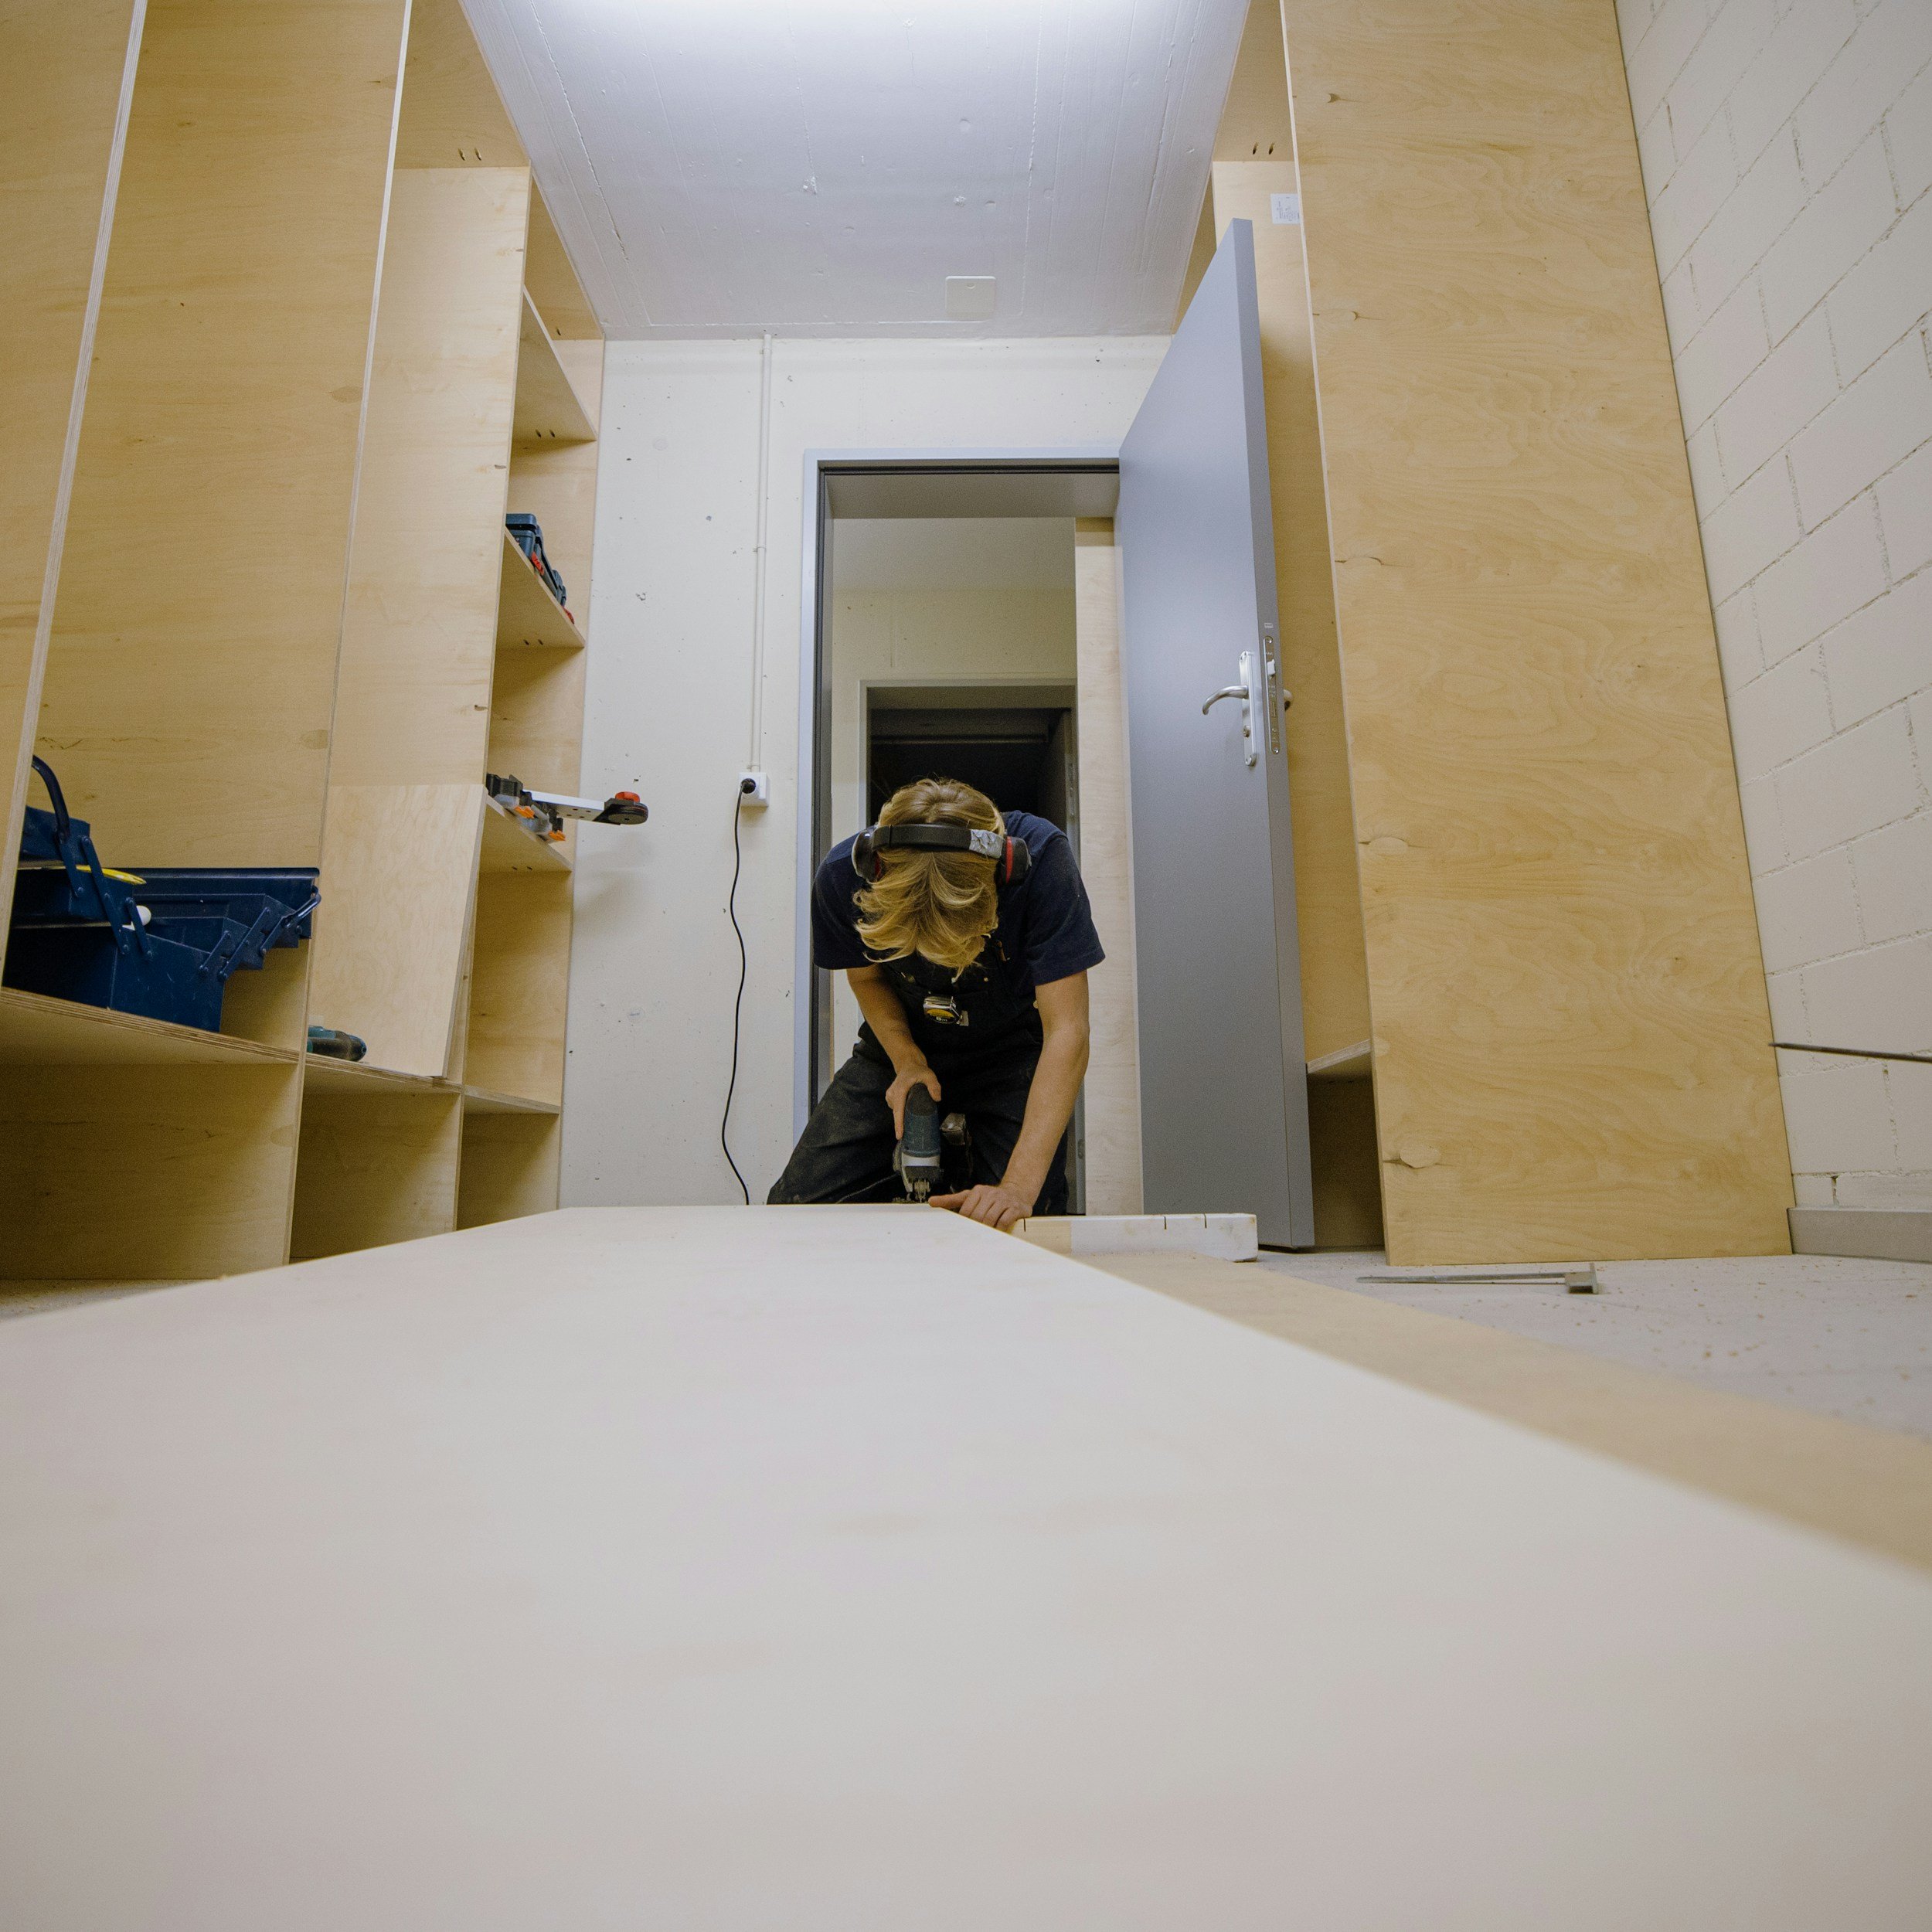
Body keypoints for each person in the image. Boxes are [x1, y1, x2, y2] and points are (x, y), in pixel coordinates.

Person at [768, 776, 1102, 1230]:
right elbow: (866, 978)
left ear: (999, 875)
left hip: (1009, 1052)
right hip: (898, 1045)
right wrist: (907, 1062)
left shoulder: (1039, 862)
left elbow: (1068, 1032)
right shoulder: (843, 875)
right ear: (876, 868)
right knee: (793, 1208)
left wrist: (1018, 1189)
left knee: (1027, 1224)